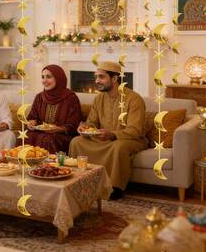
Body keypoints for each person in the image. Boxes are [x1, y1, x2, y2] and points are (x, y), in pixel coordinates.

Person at [69, 61, 146, 200]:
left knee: (118, 147)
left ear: (115, 78)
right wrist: (84, 127)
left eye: (101, 77)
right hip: (103, 138)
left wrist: (112, 135)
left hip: (129, 139)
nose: (96, 81)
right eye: (96, 77)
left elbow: (135, 130)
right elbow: (92, 122)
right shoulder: (99, 98)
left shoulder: (134, 99)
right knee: (76, 141)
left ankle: (113, 188)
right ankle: (77, 180)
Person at [25, 64, 82, 153]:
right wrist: (31, 123)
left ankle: (52, 163)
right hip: (41, 133)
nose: (44, 81)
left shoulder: (71, 98)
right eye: (43, 77)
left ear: (59, 78)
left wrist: (59, 128)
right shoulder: (39, 97)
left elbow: (74, 125)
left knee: (49, 139)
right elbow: (32, 117)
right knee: (26, 136)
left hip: (61, 136)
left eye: (48, 77)